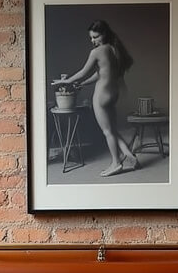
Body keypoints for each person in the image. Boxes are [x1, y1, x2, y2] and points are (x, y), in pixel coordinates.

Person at [54, 19, 138, 176]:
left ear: (104, 33)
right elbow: (101, 73)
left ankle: (115, 163)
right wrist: (84, 83)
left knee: (107, 131)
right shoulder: (115, 50)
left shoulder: (97, 52)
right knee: (112, 129)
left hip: (101, 95)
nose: (93, 41)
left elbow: (83, 71)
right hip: (113, 94)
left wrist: (64, 81)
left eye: (96, 37)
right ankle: (130, 156)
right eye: (91, 38)